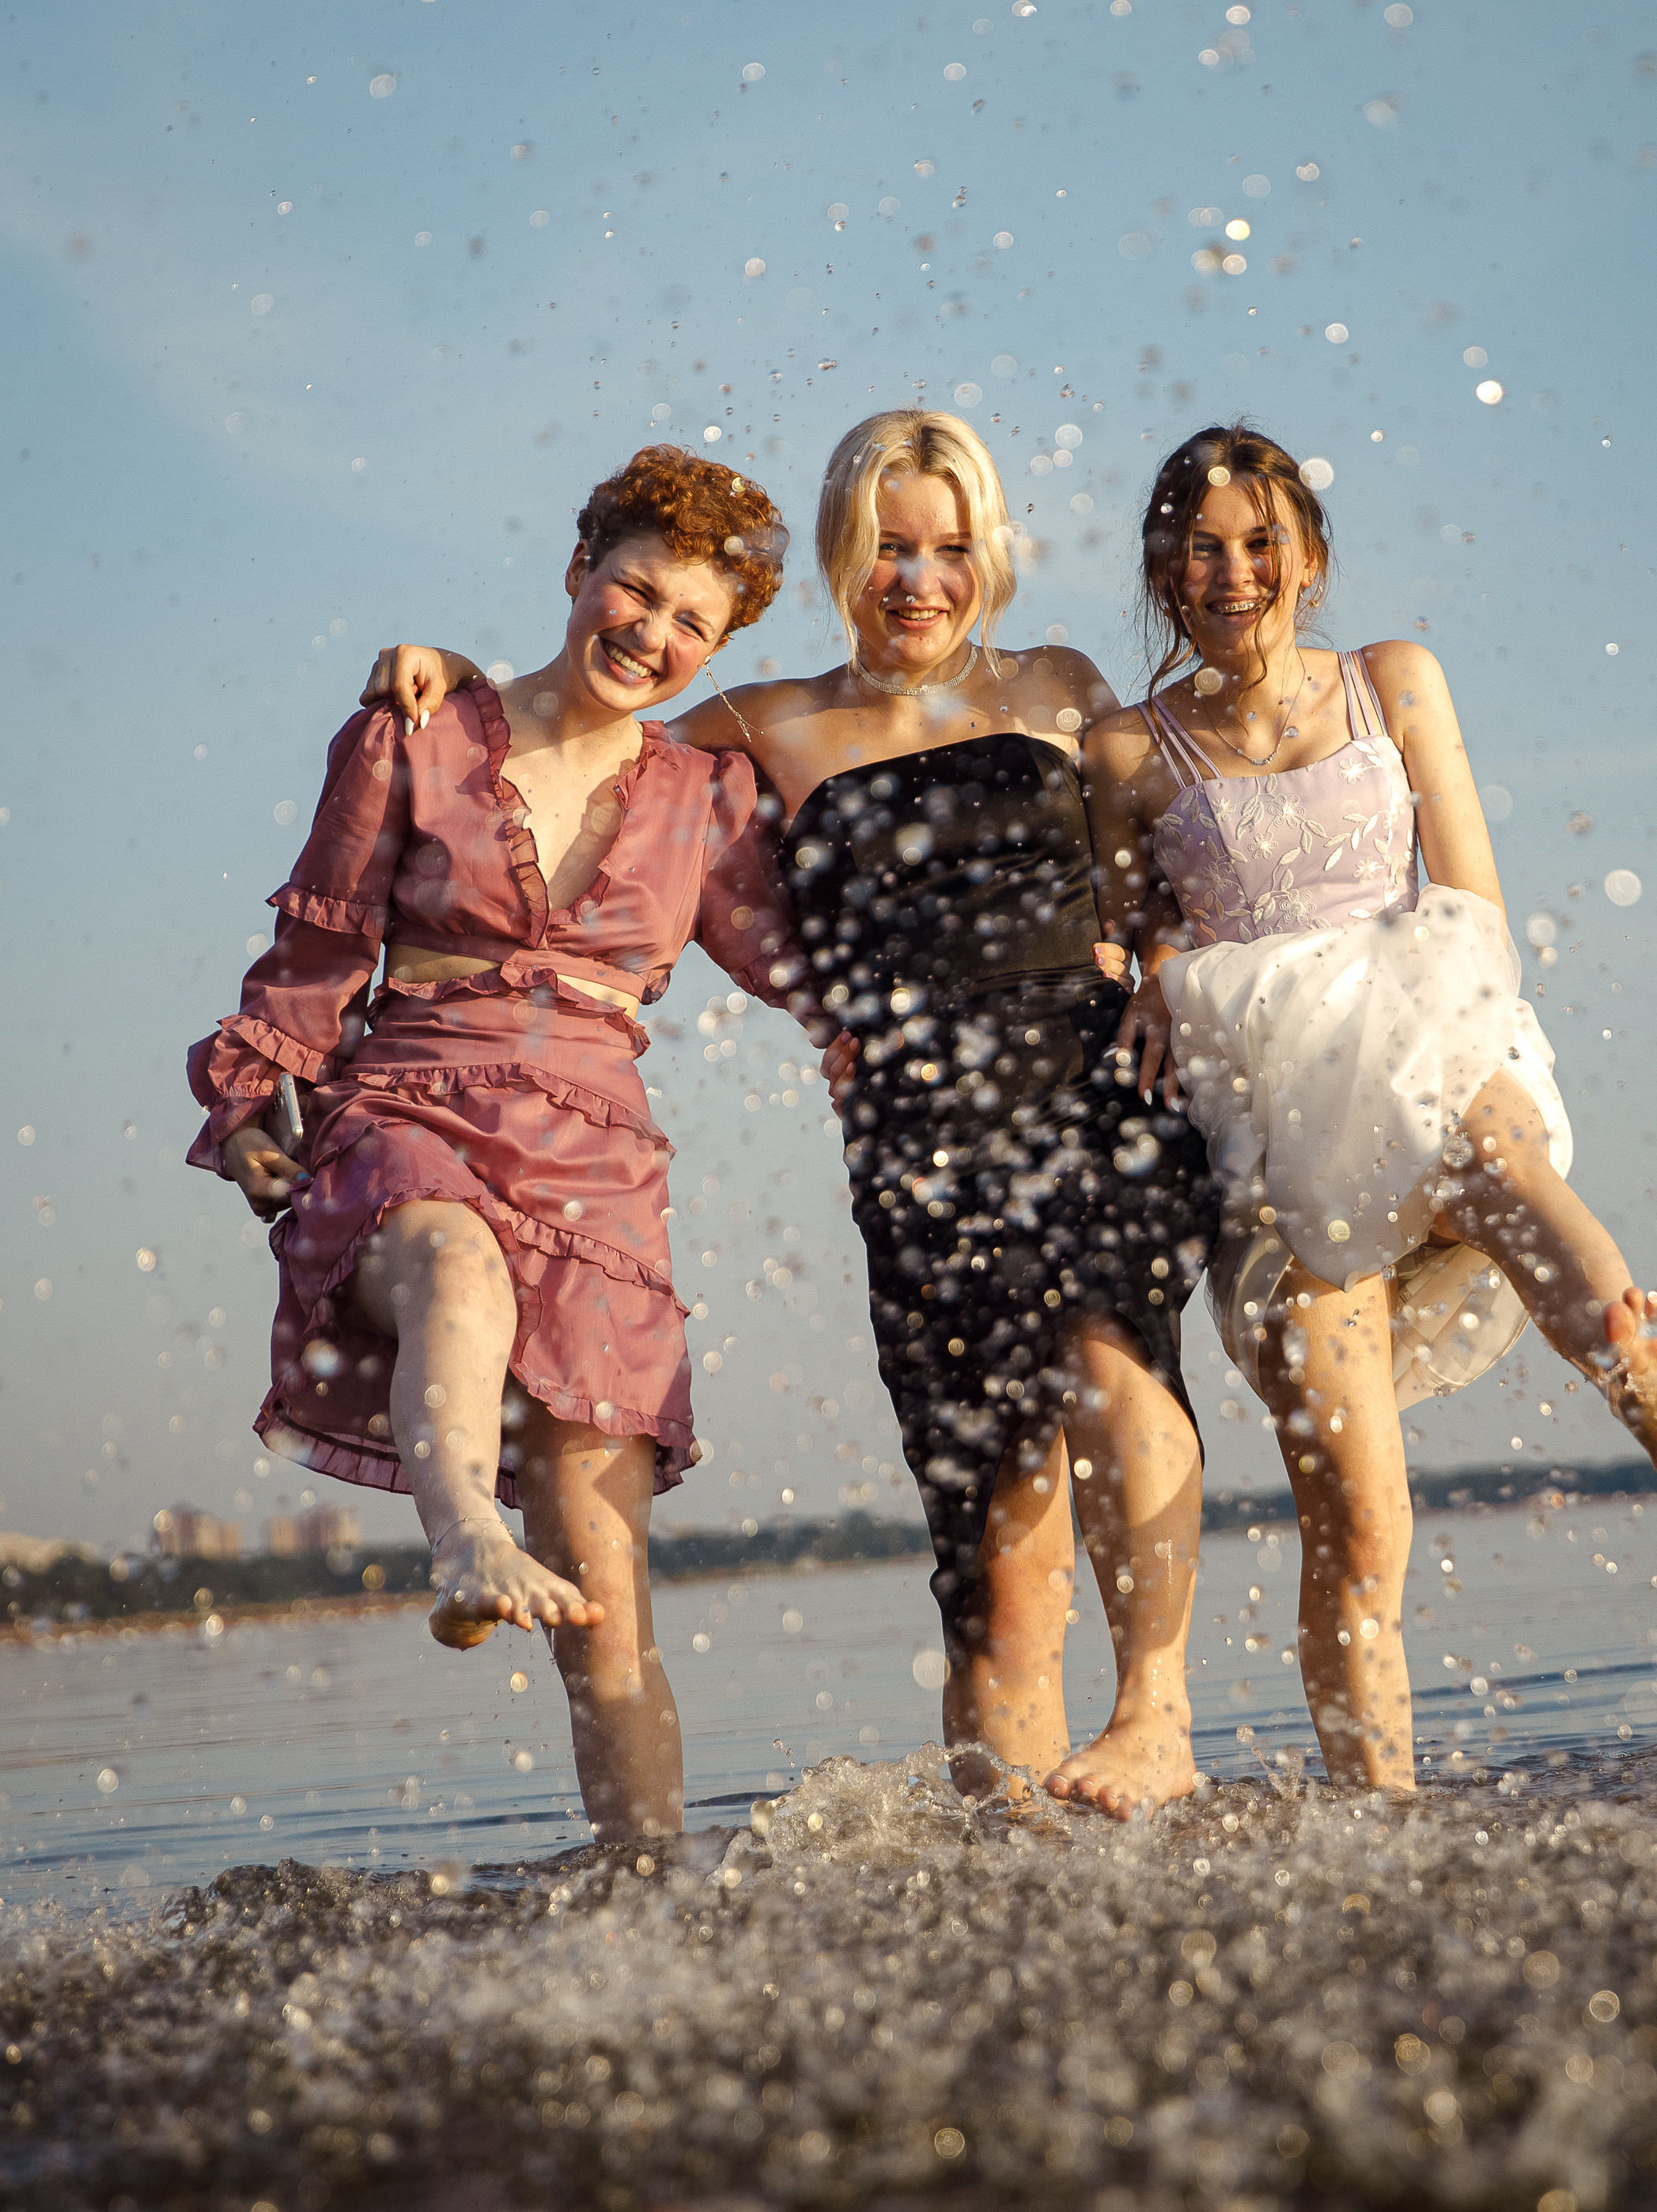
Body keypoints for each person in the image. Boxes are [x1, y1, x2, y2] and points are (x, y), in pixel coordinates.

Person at [367, 412, 1219, 1817]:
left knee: (1111, 1368)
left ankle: (1156, 1715)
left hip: (1086, 1084)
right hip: (913, 1137)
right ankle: (1019, 1872)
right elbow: (583, 728)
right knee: (997, 1559)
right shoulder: (758, 724)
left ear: (990, 553)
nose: (920, 580)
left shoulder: (1063, 684)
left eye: (951, 547)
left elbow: (1165, 854)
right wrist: (454, 679)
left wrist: (1171, 963)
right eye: (889, 547)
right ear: (841, 552)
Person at [187, 447, 807, 1844]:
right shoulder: (413, 736)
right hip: (408, 1109)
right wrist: (247, 1112)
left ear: (717, 651)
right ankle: (464, 1531)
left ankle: (649, 1890)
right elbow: (312, 962)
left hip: (597, 1175)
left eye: (691, 623)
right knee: (453, 1269)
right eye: (634, 590)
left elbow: (815, 975)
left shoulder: (705, 799)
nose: (650, 633)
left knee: (606, 1594)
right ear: (579, 570)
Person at [1088, 422, 1657, 1792]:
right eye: (1203, 548)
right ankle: (1385, 1821)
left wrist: (1427, 1046)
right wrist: (1155, 976)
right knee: (1360, 1524)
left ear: (1309, 555)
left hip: (1431, 1037)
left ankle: (1640, 1364)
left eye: (1262, 541)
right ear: (1164, 569)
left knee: (1500, 1157)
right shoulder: (1128, 748)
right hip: (1271, 1131)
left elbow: (1473, 900)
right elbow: (1135, 934)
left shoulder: (1396, 679)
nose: (1235, 571)